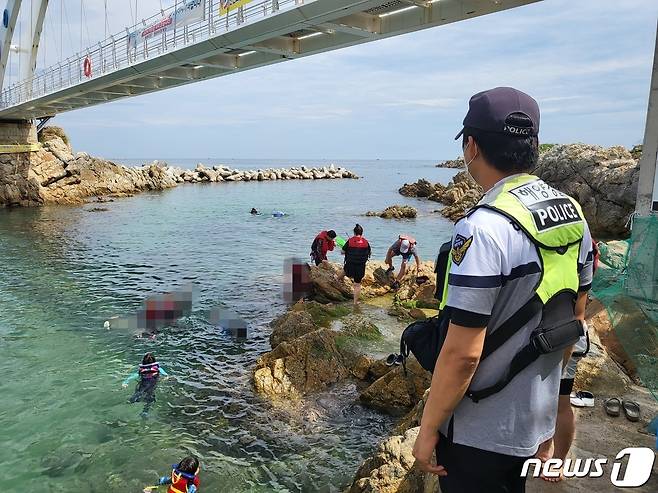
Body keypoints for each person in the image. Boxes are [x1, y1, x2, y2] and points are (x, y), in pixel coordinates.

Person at [412, 87, 593, 493]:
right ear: (535, 145)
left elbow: (463, 354)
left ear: (471, 147)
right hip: (532, 419)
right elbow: (574, 321)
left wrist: (427, 429)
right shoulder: (571, 212)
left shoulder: (483, 228)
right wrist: (547, 415)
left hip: (480, 432)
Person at [536, 240, 598, 482]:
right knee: (545, 400)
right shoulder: (576, 248)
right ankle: (543, 449)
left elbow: (578, 314)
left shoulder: (577, 256)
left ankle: (558, 461)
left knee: (560, 403)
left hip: (567, 340)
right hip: (550, 338)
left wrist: (566, 354)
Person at [339, 224, 371, 305]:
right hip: (360, 266)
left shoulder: (350, 241)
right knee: (357, 284)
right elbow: (369, 253)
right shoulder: (366, 242)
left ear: (354, 232)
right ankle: (355, 302)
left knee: (345, 270)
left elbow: (342, 252)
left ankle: (337, 279)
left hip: (350, 265)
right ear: (362, 232)